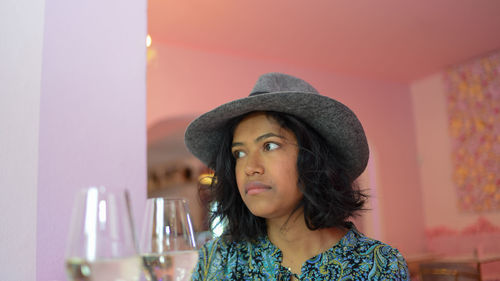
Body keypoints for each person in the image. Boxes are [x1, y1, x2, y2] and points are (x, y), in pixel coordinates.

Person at [184, 73, 409, 280]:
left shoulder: (380, 266)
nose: (249, 168)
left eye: (270, 145)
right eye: (239, 153)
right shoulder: (216, 261)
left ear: (315, 158)